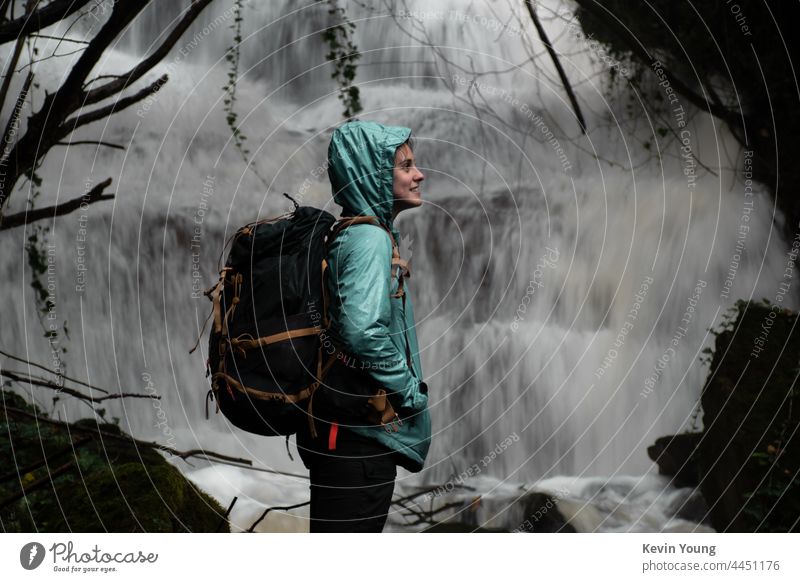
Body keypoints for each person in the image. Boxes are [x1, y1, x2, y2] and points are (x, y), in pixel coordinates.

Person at [296, 120, 431, 533]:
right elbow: (359, 332)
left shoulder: (350, 232)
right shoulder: (369, 240)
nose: (418, 174)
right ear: (374, 174)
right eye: (405, 166)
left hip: (340, 429)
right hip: (356, 437)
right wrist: (409, 394)